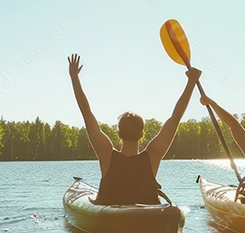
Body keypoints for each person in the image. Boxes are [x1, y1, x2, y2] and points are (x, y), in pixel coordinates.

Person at [68, 53, 201, 205]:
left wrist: (74, 77)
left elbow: (86, 112)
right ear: (142, 134)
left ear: (118, 133)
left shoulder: (106, 153)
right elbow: (176, 117)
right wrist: (191, 82)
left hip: (110, 217)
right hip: (147, 217)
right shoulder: (153, 154)